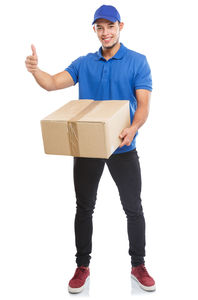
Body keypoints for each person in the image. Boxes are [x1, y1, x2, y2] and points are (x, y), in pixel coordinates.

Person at [25, 4, 156, 294]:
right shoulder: (85, 63)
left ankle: (138, 265)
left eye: (110, 26)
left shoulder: (137, 61)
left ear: (121, 26)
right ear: (94, 30)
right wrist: (36, 71)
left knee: (133, 208)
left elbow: (144, 105)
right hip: (88, 148)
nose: (105, 32)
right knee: (84, 207)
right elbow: (52, 83)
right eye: (100, 27)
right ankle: (82, 266)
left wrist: (133, 129)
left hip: (124, 146)